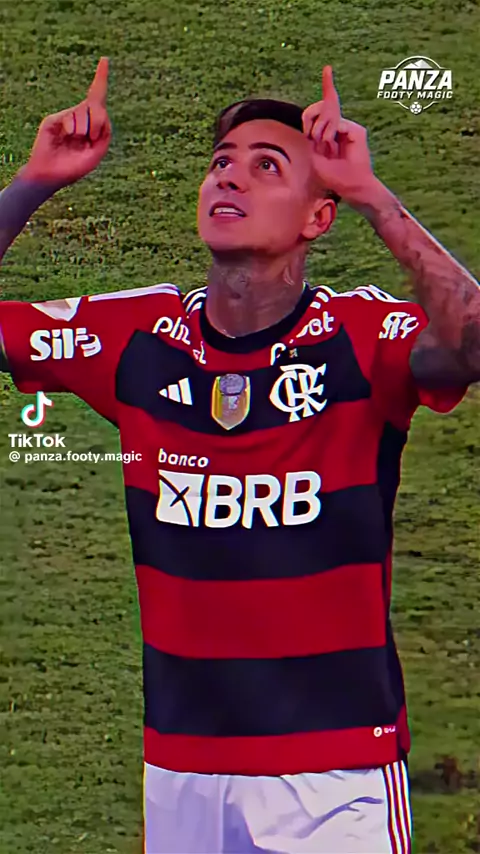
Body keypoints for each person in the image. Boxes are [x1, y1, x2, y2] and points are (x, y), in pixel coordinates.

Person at [0, 57, 479, 854]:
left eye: (267, 166)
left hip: (337, 778)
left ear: (318, 217)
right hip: (181, 770)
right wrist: (33, 182)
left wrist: (371, 194)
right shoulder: (137, 338)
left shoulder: (361, 339)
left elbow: (471, 343)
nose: (230, 176)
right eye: (222, 162)